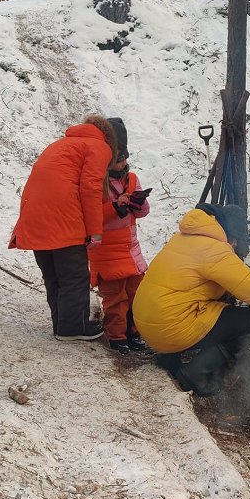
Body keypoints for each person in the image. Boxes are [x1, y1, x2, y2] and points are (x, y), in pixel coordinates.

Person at [134, 203, 250, 395]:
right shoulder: (215, 249)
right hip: (169, 328)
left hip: (148, 324)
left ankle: (169, 359)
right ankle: (195, 375)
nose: (234, 245)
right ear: (229, 234)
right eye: (235, 240)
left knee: (192, 302)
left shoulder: (184, 238)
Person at [9, 114, 118, 341]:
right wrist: (95, 231)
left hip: (34, 214)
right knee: (74, 275)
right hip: (63, 216)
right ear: (111, 141)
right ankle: (73, 328)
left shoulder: (61, 144)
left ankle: (61, 323)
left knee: (53, 274)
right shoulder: (99, 147)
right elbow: (90, 189)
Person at [87, 118, 152, 355]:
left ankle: (134, 332)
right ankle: (117, 337)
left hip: (130, 251)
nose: (121, 162)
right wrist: (116, 206)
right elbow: (91, 215)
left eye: (123, 158)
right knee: (115, 299)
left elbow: (143, 213)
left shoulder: (131, 179)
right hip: (106, 253)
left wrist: (138, 203)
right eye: (117, 159)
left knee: (137, 295)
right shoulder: (97, 181)